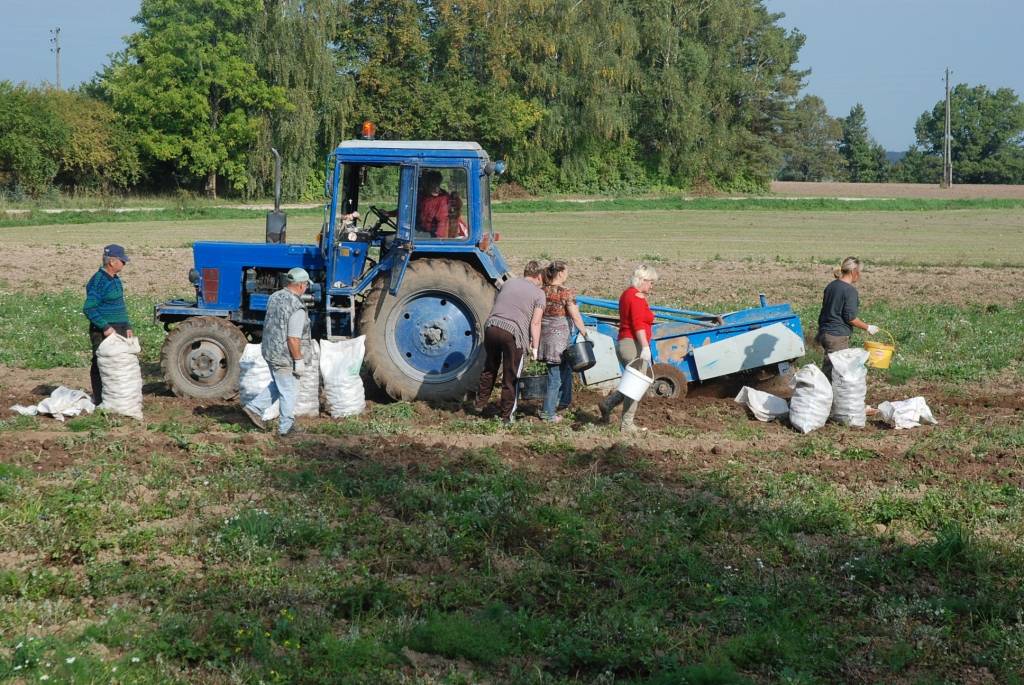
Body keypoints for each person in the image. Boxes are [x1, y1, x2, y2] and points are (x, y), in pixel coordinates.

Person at [243, 267, 314, 437]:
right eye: (306, 285)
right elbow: (293, 338)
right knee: (289, 390)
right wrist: (298, 360)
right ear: (301, 285)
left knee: (279, 384)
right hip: (285, 356)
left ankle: (254, 408)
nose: (306, 288)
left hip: (269, 350)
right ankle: (286, 429)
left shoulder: (274, 297)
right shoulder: (297, 307)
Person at [474, 261, 546, 424]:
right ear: (539, 276)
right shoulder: (539, 294)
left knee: (490, 367)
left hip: (492, 327)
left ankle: (479, 404)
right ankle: (506, 416)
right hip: (512, 333)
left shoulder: (509, 283)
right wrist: (535, 347)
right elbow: (535, 323)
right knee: (510, 375)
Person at [599, 264, 659, 433]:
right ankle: (626, 424)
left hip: (624, 342)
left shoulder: (627, 294)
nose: (652, 286)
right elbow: (638, 325)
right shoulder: (637, 297)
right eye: (651, 282)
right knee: (636, 385)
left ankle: (608, 404)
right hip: (633, 344)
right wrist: (645, 347)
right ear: (642, 280)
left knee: (631, 382)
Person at [537, 261, 588, 422]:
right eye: (566, 271)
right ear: (560, 273)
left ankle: (562, 402)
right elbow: (575, 315)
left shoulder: (541, 291)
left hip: (545, 338)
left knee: (564, 370)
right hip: (559, 340)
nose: (568, 274)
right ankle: (548, 413)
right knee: (555, 376)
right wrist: (585, 333)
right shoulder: (565, 292)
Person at [83, 244, 133, 405]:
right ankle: (100, 400)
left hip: (119, 328)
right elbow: (89, 308)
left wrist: (128, 326)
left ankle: (117, 399)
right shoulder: (99, 281)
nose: (124, 263)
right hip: (104, 330)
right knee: (100, 364)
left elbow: (119, 304)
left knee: (119, 365)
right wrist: (105, 327)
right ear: (112, 261)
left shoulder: (115, 279)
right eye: (122, 260)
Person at [817, 256, 880, 382]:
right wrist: (868, 328)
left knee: (829, 367)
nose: (860, 275)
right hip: (837, 336)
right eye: (859, 272)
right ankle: (829, 399)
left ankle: (825, 396)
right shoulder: (849, 291)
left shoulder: (831, 286)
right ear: (854, 272)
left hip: (825, 333)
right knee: (835, 373)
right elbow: (850, 318)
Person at [417, 170, 450, 238]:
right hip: (420, 229)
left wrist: (438, 243)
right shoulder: (423, 195)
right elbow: (409, 208)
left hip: (432, 235)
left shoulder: (443, 199)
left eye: (435, 183)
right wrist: (390, 213)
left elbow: (442, 223)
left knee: (390, 240)